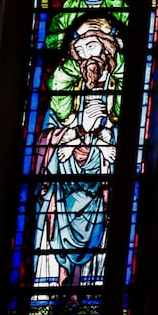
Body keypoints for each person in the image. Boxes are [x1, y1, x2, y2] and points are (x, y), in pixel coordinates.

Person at [33, 17, 123, 288]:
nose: (87, 55)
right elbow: (53, 124)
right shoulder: (67, 80)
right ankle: (56, 284)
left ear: (107, 49)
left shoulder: (118, 82)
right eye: (81, 50)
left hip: (101, 173)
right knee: (57, 219)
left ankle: (86, 286)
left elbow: (126, 121)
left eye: (92, 46)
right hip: (66, 174)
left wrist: (106, 136)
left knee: (101, 223)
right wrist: (72, 134)